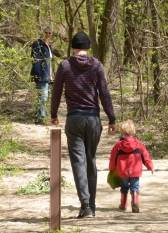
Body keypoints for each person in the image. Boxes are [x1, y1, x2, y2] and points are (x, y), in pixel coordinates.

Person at [50, 31, 117, 218]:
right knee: (91, 160)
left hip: (74, 119)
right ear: (87, 47)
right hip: (93, 119)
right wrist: (111, 119)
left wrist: (53, 114)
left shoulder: (65, 66)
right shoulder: (96, 65)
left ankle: (85, 205)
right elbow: (104, 93)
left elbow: (56, 92)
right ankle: (92, 206)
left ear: (73, 47)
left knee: (79, 161)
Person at [108, 119, 154, 213]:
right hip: (135, 170)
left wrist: (111, 169)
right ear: (133, 132)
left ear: (121, 132)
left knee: (124, 187)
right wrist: (150, 167)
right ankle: (135, 202)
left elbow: (113, 158)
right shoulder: (138, 144)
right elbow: (145, 156)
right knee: (135, 186)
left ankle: (124, 204)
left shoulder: (118, 145)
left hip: (123, 171)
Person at [30, 24, 54, 124]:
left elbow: (50, 62)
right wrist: (38, 75)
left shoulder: (48, 46)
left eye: (49, 33)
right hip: (41, 75)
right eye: (46, 32)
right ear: (42, 33)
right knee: (42, 97)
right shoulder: (38, 44)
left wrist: (52, 74)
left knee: (45, 97)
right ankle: (41, 118)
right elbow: (36, 60)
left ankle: (39, 116)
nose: (48, 34)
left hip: (48, 76)